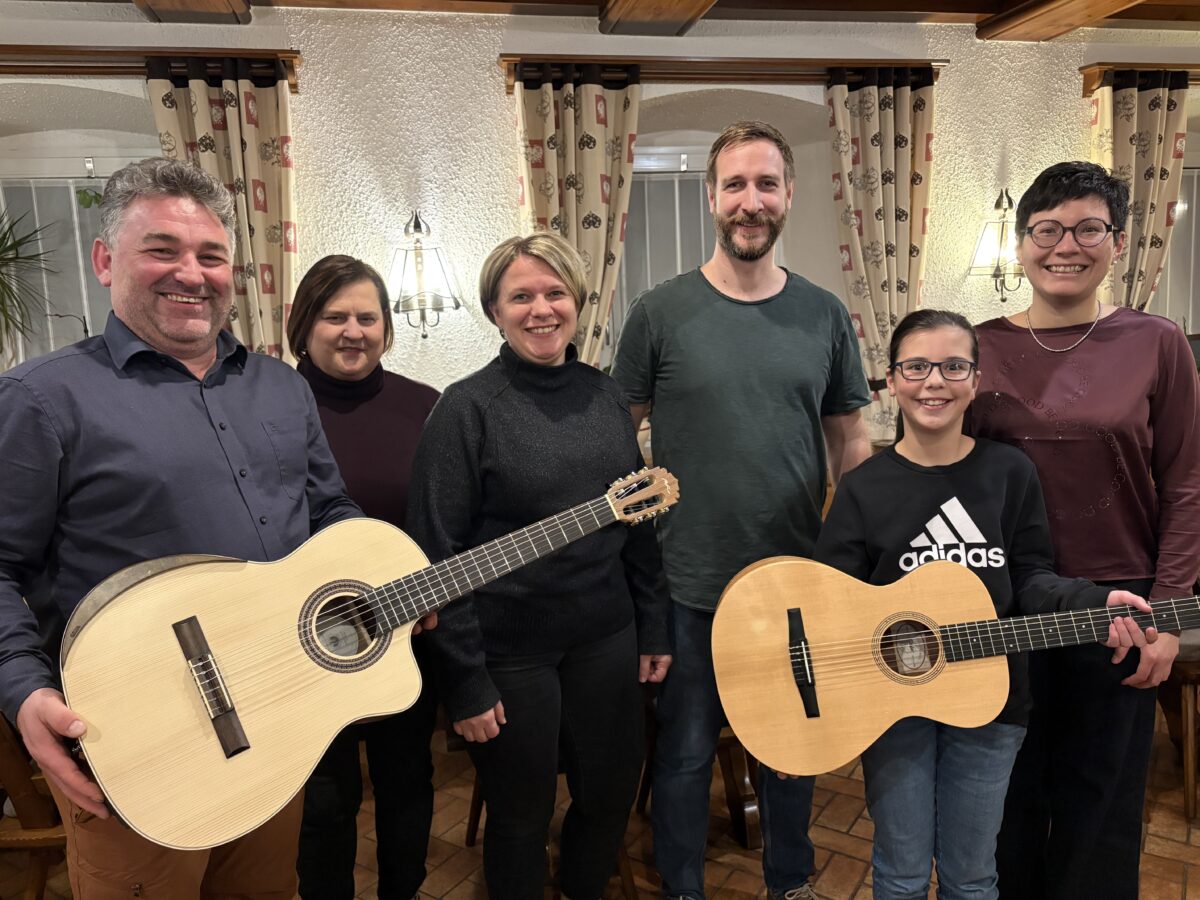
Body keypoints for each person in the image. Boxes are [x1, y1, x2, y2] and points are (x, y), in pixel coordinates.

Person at [0, 157, 412, 898]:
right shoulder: (41, 398)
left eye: (210, 255)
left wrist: (372, 569)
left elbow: (327, 511)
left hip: (276, 717)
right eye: (162, 249)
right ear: (105, 260)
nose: (191, 273)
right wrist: (23, 693)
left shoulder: (282, 388)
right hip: (137, 742)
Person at [611, 120, 872, 900]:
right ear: (712, 197)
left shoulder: (824, 315)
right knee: (686, 752)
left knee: (792, 748)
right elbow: (616, 442)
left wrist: (850, 565)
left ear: (789, 195)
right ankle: (683, 887)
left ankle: (790, 883)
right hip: (687, 578)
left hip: (795, 577)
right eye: (735, 185)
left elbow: (850, 441)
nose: (750, 201)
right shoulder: (659, 312)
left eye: (766, 184)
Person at [814, 308, 1157, 900]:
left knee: (973, 876)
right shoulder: (864, 485)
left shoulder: (1009, 473)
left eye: (953, 366)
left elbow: (1030, 578)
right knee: (898, 873)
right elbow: (831, 597)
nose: (934, 381)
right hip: (892, 708)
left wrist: (1094, 601)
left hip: (992, 702)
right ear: (891, 381)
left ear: (975, 381)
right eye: (916, 366)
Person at [406, 232, 671, 900]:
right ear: (495, 309)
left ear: (578, 302)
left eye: (555, 293)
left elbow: (636, 523)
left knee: (609, 799)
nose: (540, 309)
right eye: (520, 295)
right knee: (521, 819)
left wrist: (654, 626)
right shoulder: (465, 410)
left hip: (606, 639)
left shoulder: (608, 398)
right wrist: (464, 683)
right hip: (508, 654)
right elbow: (439, 553)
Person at [968, 161, 1200, 900]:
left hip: (1121, 606)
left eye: (1087, 228)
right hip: (1005, 607)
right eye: (1047, 229)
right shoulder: (976, 347)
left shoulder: (1157, 341)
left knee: (1100, 805)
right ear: (1021, 241)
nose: (1065, 245)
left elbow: (1188, 482)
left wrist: (1167, 615)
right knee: (1007, 795)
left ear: (1119, 241)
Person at [286, 255, 440, 900]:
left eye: (367, 317)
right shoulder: (268, 403)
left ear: (386, 327)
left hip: (404, 633)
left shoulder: (426, 407)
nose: (354, 330)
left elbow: (442, 519)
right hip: (298, 639)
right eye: (335, 315)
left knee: (408, 784)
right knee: (324, 802)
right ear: (303, 325)